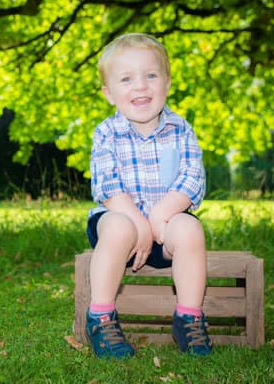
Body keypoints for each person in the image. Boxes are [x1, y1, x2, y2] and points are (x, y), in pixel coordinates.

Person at [85, 33, 212, 358]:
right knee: (118, 227)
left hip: (164, 227)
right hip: (120, 224)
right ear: (109, 93)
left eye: (150, 76)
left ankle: (188, 318)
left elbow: (192, 178)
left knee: (190, 229)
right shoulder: (107, 132)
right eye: (126, 79)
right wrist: (139, 222)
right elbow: (107, 185)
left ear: (167, 83)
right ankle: (100, 317)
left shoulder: (180, 129)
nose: (140, 86)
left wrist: (159, 215)